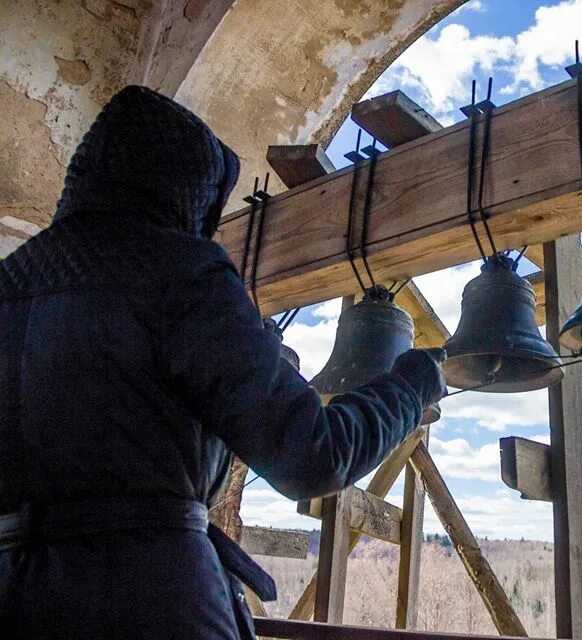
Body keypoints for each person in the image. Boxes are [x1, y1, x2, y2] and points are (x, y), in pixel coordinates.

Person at [0, 86, 445, 639]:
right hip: (151, 602)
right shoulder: (180, 272)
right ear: (189, 189)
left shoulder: (8, 281)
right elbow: (313, 456)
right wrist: (410, 386)